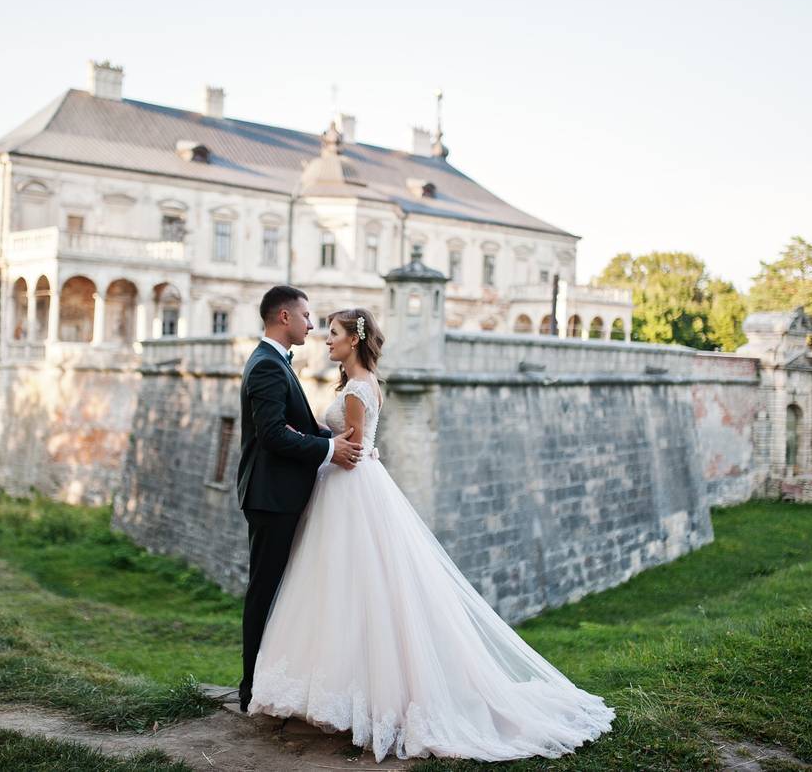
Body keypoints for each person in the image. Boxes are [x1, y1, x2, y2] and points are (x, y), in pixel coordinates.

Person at [245, 306, 618, 763]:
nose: (327, 339)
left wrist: (327, 447)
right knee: (346, 586)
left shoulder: (359, 389)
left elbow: (352, 448)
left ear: (354, 340)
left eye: (335, 333)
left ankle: (350, 693)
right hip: (348, 486)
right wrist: (326, 441)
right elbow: (349, 441)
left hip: (348, 487)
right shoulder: (360, 384)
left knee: (345, 586)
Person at [235, 285, 364, 714]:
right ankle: (251, 687)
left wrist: (330, 438)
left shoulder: (275, 362)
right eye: (307, 316)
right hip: (271, 497)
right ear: (284, 318)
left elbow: (299, 426)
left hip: (281, 494)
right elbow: (273, 435)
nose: (312, 325)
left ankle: (269, 681)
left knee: (280, 590)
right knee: (265, 590)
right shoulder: (267, 366)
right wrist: (330, 450)